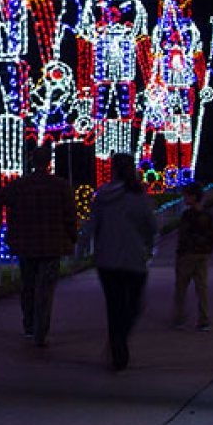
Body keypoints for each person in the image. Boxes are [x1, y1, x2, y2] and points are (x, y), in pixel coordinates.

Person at [0, 146, 78, 347]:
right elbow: (70, 216)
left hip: (26, 243)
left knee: (28, 286)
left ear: (32, 162)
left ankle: (29, 326)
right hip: (51, 244)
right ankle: (41, 330)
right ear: (49, 162)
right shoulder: (60, 186)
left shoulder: (20, 185)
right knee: (46, 288)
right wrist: (73, 237)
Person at [88, 152, 158, 370]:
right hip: (133, 260)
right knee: (134, 305)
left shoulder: (102, 195)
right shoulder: (139, 197)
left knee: (114, 306)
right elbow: (152, 227)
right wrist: (148, 245)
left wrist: (86, 248)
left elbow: (92, 226)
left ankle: (118, 347)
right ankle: (120, 343)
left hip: (106, 261)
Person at [172, 182, 213, 330]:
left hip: (187, 254)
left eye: (186, 195)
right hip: (202, 254)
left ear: (193, 197)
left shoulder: (188, 215)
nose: (184, 198)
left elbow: (183, 236)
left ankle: (179, 318)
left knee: (181, 288)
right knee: (202, 288)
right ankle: (204, 319)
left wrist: (180, 252)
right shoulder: (207, 215)